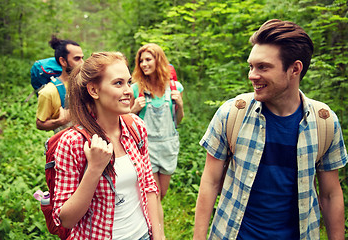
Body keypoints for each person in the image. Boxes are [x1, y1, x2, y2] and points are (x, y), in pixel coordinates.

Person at [193, 19, 347, 240]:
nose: (252, 75)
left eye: (263, 67)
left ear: (295, 68)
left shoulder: (324, 123)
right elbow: (210, 181)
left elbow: (331, 195)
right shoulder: (232, 114)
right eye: (251, 66)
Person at [52, 52, 161, 239]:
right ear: (94, 90)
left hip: (143, 234)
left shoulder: (136, 127)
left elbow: (149, 187)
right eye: (118, 83)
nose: (128, 90)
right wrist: (94, 169)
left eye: (128, 82)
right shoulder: (72, 142)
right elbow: (66, 220)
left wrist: (159, 236)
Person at [131, 43, 184, 238]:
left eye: (148, 59)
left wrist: (180, 105)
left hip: (169, 146)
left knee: (160, 194)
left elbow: (177, 120)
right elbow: (126, 120)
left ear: (158, 60)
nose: (144, 64)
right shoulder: (136, 89)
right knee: (153, 196)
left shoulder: (174, 87)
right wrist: (133, 109)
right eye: (141, 61)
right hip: (147, 147)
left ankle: (147, 221)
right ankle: (157, 234)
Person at [36, 35, 84, 133]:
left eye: (82, 58)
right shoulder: (48, 92)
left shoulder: (85, 84)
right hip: (66, 145)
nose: (82, 63)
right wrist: (60, 121)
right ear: (63, 61)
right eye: (77, 59)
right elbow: (40, 124)